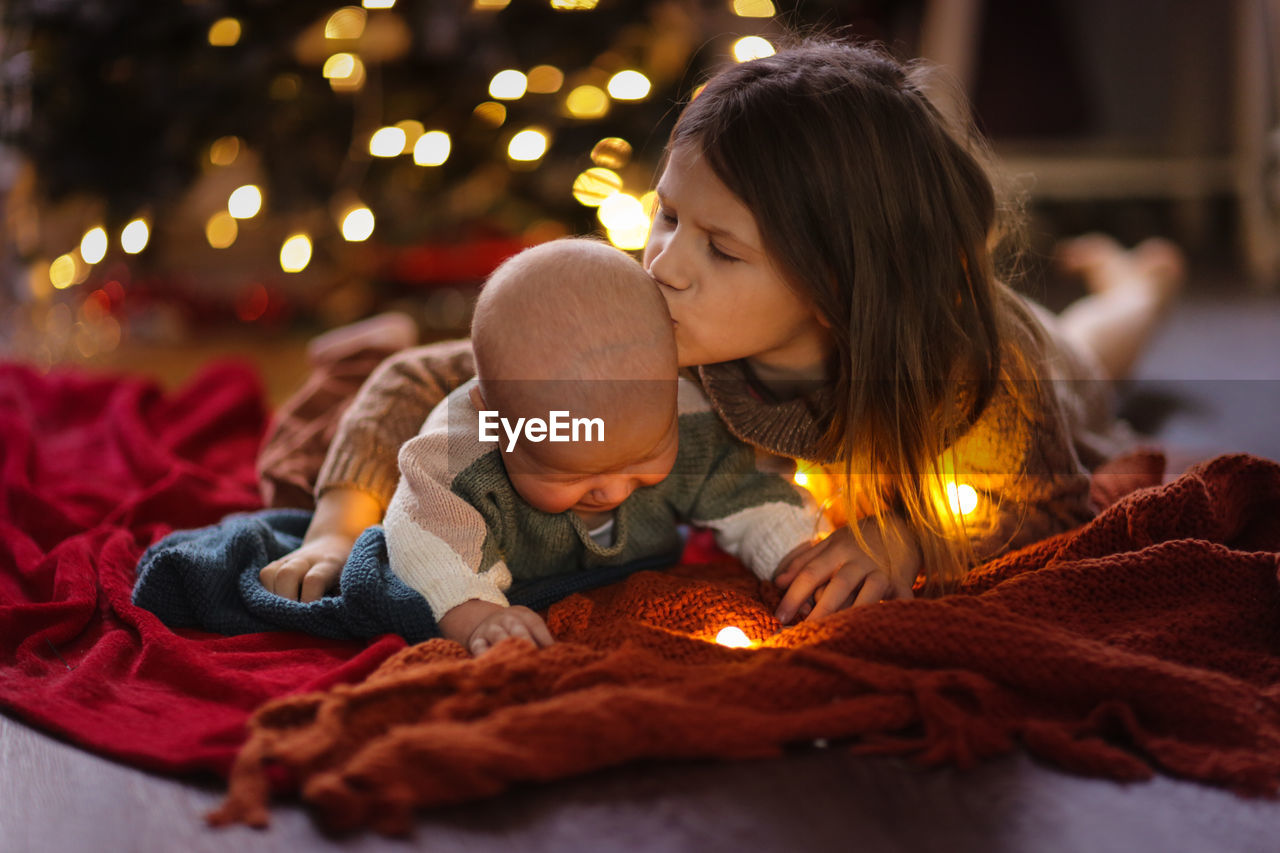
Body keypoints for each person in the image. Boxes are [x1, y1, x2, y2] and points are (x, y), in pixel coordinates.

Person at [258, 37, 1182, 625]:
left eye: (721, 249)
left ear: (832, 284)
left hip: (1034, 351)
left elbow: (1050, 500)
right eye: (665, 218)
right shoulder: (656, 320)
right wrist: (341, 527)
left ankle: (1139, 281)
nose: (664, 265)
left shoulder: (974, 377)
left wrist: (904, 537)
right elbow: (428, 380)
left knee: (1096, 352)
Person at [380, 238, 820, 655]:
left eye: (644, 456)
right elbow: (426, 538)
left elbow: (745, 492)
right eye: (572, 474)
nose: (612, 492)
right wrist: (477, 614)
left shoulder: (686, 415)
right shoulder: (462, 453)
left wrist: (795, 552)